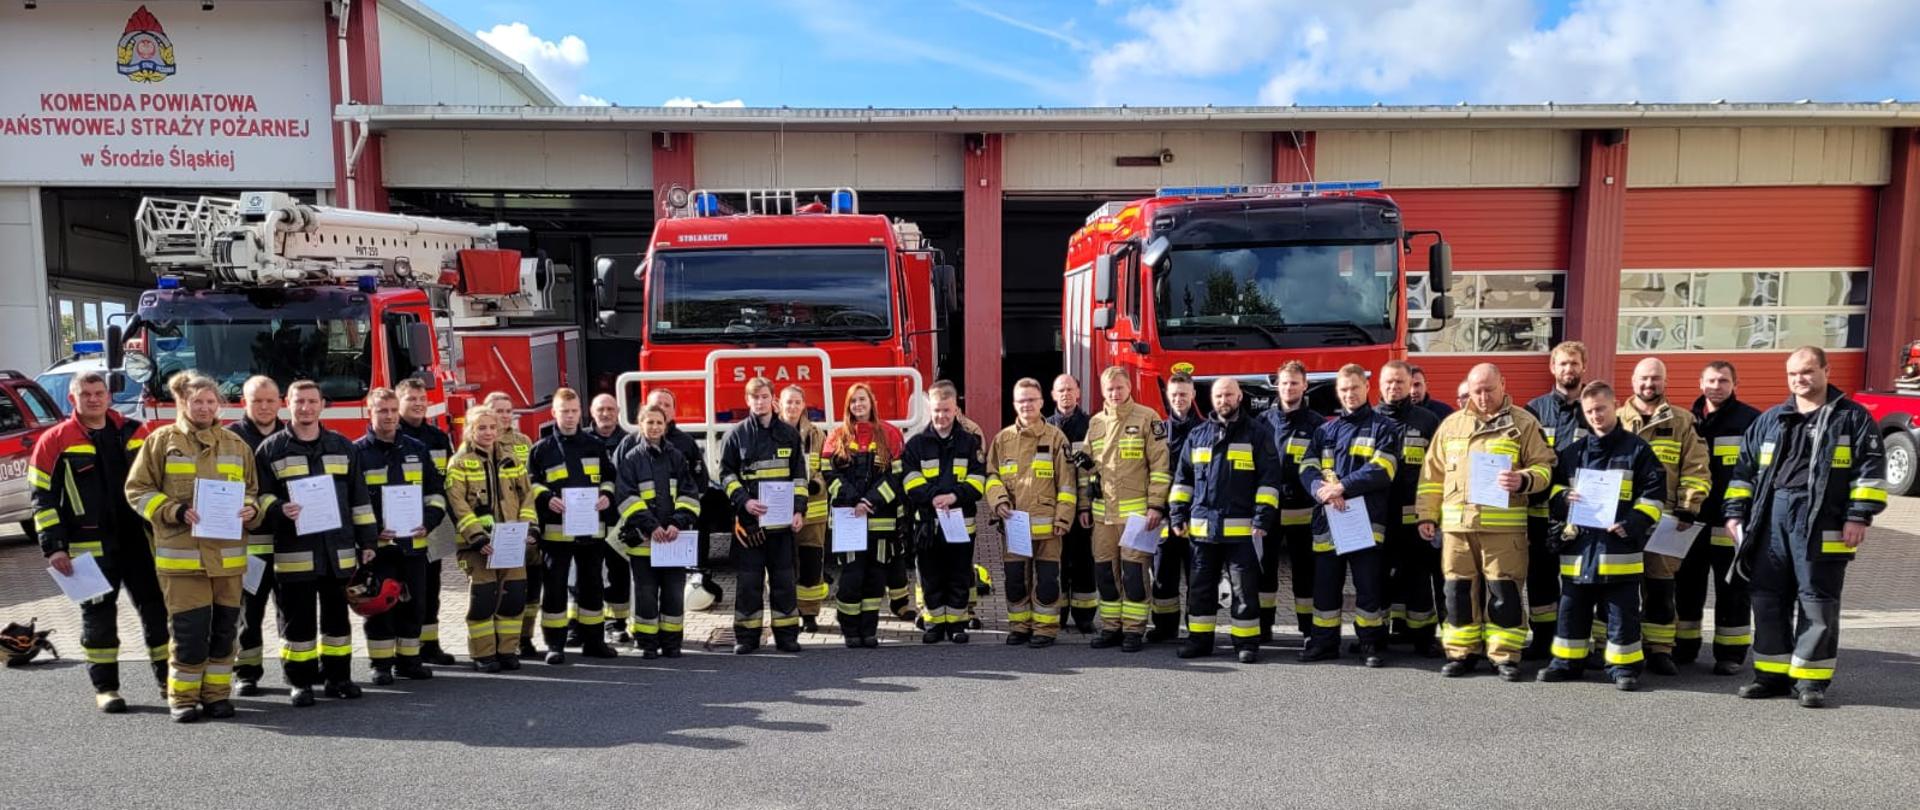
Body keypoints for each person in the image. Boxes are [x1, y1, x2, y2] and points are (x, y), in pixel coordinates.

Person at [1724, 347, 1887, 708]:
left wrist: (1858, 515)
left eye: (1807, 371)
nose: (1799, 379)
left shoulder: (1852, 419)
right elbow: (1743, 472)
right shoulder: (1771, 419)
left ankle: (1810, 681)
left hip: (1824, 521)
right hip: (1771, 518)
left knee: (1817, 600)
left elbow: (1870, 471)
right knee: (1766, 598)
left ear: (1826, 371)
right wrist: (1735, 513)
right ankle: (1769, 674)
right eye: (1793, 374)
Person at [125, 372, 263, 723]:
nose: (204, 407)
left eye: (210, 401)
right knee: (189, 632)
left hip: (228, 560)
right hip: (183, 561)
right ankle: (183, 698)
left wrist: (252, 508)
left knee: (224, 632)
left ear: (219, 404)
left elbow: (252, 490)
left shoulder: (236, 445)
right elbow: (137, 491)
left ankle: (217, 696)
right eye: (197, 401)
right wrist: (174, 510)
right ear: (183, 403)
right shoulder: (161, 442)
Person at [1416, 363, 1554, 682]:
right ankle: (1461, 653)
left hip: (1503, 529)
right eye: (1477, 390)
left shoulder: (1523, 423)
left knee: (1503, 592)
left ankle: (1504, 655)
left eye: (1488, 389)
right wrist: (1426, 514)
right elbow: (1431, 476)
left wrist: (1523, 480)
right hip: (1457, 529)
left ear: (1502, 385)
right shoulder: (1452, 425)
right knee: (1457, 591)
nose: (1482, 396)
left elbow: (1545, 466)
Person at [34, 371, 162, 713]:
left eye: (99, 392)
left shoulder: (137, 431)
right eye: (86, 394)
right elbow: (42, 500)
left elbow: (162, 480)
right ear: (72, 399)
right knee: (98, 619)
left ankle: (170, 683)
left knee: (158, 612)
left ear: (108, 396)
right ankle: (106, 688)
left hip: (140, 543)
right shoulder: (54, 440)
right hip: (86, 548)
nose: (93, 399)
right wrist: (54, 546)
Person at [255, 380, 379, 706]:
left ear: (322, 404)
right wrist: (279, 508)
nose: (306, 408)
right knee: (298, 623)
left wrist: (368, 541)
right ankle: (301, 682)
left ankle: (339, 678)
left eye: (312, 401)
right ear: (288, 404)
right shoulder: (271, 449)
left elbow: (359, 500)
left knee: (338, 621)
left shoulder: (343, 446)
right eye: (299, 402)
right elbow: (259, 496)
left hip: (338, 551)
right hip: (295, 553)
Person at [1540, 381, 1666, 691]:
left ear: (1614, 407)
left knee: (1622, 616)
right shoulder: (1572, 453)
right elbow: (1553, 491)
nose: (1596, 415)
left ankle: (1623, 667)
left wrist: (1633, 522)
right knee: (1571, 611)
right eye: (1589, 411)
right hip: (1579, 549)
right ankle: (1566, 663)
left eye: (1601, 409)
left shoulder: (1637, 450)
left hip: (1618, 549)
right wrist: (1563, 497)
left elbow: (1654, 495)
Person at [1169, 378, 1280, 663]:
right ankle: (1200, 640)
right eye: (1218, 395)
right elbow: (1183, 480)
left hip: (1242, 531)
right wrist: (1178, 513)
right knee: (1200, 589)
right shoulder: (1198, 435)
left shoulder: (1257, 434)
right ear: (1211, 398)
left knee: (1244, 590)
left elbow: (1269, 481)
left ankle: (1245, 643)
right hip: (1203, 530)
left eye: (1229, 394)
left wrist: (1262, 518)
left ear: (1239, 396)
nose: (1223, 400)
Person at [1300, 364, 1402, 666]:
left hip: (1365, 522)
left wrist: (1341, 487)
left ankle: (1369, 643)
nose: (1349, 394)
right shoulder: (1325, 431)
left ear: (1366, 388)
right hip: (1329, 519)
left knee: (1368, 586)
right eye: (1343, 390)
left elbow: (1383, 469)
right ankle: (1324, 643)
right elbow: (1307, 467)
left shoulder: (1384, 428)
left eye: (1354, 388)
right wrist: (1321, 490)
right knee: (1325, 587)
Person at [1617, 357, 1711, 676]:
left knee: (1660, 588)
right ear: (1632, 380)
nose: (1649, 384)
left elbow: (1697, 468)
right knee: (1621, 588)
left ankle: (1659, 650)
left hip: (1666, 520)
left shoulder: (1683, 422)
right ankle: (1622, 647)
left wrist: (1689, 504)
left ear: (1665, 382)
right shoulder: (1615, 419)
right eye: (1643, 378)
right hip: (1623, 521)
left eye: (1655, 379)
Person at [353, 386, 447, 685]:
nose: (390, 416)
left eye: (393, 410)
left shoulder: (416, 449)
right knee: (380, 605)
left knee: (414, 604)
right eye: (383, 410)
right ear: (370, 412)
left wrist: (429, 521)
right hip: (379, 548)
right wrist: (369, 533)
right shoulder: (356, 453)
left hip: (414, 543)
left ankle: (409, 660)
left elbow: (435, 493)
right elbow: (349, 502)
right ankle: (381, 664)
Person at [526, 388, 620, 663]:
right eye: (564, 411)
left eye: (574, 411)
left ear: (581, 413)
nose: (569, 417)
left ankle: (594, 642)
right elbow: (530, 483)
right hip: (557, 533)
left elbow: (609, 477)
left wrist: (606, 495)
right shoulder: (541, 449)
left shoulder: (594, 445)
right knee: (554, 589)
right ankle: (555, 644)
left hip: (591, 531)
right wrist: (545, 498)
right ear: (553, 413)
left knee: (592, 586)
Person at [1083, 367, 1171, 652]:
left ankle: (1134, 630)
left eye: (1119, 388)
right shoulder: (1095, 423)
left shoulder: (1147, 418)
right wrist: (1086, 498)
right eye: (1109, 389)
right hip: (1102, 515)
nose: (1115, 394)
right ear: (1102, 391)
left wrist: (1156, 505)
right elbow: (1087, 468)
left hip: (1137, 516)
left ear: (1129, 387)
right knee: (1105, 574)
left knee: (1134, 575)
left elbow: (1160, 466)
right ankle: (1111, 627)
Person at [985, 378, 1079, 648]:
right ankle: (1019, 627)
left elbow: (1067, 483)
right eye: (1021, 400)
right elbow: (991, 476)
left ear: (1041, 403)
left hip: (1049, 528)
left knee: (1048, 581)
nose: (1026, 405)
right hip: (1014, 526)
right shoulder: (1002, 440)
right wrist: (999, 501)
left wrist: (1063, 517)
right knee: (1015, 580)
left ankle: (1045, 630)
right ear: (1014, 404)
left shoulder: (1055, 437)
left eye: (1031, 400)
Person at [445, 406, 539, 673]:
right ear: (470, 431)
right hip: (478, 548)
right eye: (481, 428)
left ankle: (507, 651)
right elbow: (457, 504)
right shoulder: (459, 462)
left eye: (492, 428)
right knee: (483, 600)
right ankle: (484, 654)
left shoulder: (511, 460)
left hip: (511, 544)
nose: (487, 432)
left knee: (512, 597)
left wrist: (528, 530)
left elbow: (527, 497)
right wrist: (476, 537)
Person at [718, 377, 808, 654]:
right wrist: (744, 502)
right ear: (748, 401)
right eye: (754, 397)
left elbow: (799, 476)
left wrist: (799, 510)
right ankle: (746, 638)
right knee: (748, 583)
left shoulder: (789, 434)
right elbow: (726, 475)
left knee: (783, 582)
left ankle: (787, 636)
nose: (760, 401)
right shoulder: (736, 435)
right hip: (750, 525)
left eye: (764, 396)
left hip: (781, 525)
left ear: (773, 399)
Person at [1681, 361, 1761, 674]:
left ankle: (1731, 654)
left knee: (1733, 589)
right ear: (1701, 383)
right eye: (1711, 380)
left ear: (1734, 383)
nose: (1717, 386)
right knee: (1686, 587)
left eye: (1724, 380)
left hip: (1731, 520)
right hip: (1693, 519)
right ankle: (1684, 647)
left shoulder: (1751, 421)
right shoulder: (1688, 420)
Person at [612, 404, 703, 659]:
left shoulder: (676, 457)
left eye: (658, 422)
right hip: (643, 541)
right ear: (640, 425)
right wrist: (651, 527)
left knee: (674, 593)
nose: (654, 427)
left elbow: (690, 494)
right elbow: (626, 498)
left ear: (666, 425)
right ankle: (647, 643)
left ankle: (672, 643)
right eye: (649, 422)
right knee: (646, 593)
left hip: (673, 540)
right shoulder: (631, 459)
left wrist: (677, 522)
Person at [1521, 342, 1593, 660]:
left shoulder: (1596, 409)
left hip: (1583, 512)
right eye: (1562, 364)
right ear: (1552, 368)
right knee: (1540, 580)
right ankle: (1542, 639)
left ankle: (1574, 640)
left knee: (1580, 580)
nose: (1568, 369)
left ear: (1583, 367)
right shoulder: (1533, 410)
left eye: (1574, 363)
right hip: (1541, 512)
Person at [823, 383, 907, 649]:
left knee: (875, 577)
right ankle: (850, 629)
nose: (858, 405)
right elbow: (829, 475)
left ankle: (869, 629)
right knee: (851, 577)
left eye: (862, 400)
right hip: (849, 520)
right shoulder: (837, 436)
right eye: (853, 401)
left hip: (880, 520)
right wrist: (852, 500)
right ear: (848, 406)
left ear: (871, 402)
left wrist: (870, 500)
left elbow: (896, 477)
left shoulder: (890, 434)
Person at [901, 384, 986, 643]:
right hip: (927, 523)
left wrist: (953, 496)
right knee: (930, 574)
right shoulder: (916, 444)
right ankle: (935, 624)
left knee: (959, 573)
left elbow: (978, 480)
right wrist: (934, 497)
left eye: (947, 410)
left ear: (956, 410)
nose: (941, 416)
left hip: (961, 522)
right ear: (931, 410)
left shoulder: (970, 443)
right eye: (937, 410)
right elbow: (909, 480)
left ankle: (958, 624)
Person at [1376, 361, 1443, 657]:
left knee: (1418, 579)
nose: (1394, 387)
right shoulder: (1371, 420)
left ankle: (1423, 638)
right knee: (1378, 578)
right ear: (1379, 385)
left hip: (1416, 515)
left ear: (1410, 384)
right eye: (1389, 382)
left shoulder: (1428, 421)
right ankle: (1376, 637)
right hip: (1379, 515)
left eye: (1400, 382)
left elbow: (1440, 469)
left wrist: (1433, 512)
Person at [395, 378, 458, 666]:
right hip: (400, 526)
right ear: (399, 402)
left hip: (433, 522)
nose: (419, 403)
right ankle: (407, 647)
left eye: (422, 398)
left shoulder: (437, 437)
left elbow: (445, 481)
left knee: (432, 588)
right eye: (412, 399)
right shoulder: (393, 436)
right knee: (406, 590)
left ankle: (430, 645)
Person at [230, 375, 285, 694]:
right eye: (257, 401)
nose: (264, 407)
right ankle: (247, 671)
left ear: (280, 403)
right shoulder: (230, 440)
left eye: (270, 400)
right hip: (249, 542)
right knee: (249, 611)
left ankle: (299, 669)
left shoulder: (292, 436)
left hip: (290, 540)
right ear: (243, 403)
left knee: (291, 610)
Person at [1261, 361, 1323, 639]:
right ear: (1277, 385)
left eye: (1294, 383)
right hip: (1269, 511)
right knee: (1265, 572)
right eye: (1284, 383)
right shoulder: (1262, 422)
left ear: (1305, 385)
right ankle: (1263, 628)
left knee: (1305, 573)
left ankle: (1307, 629)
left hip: (1304, 512)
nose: (1289, 387)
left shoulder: (1317, 425)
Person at [1148, 374, 1203, 642]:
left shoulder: (1205, 431)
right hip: (1164, 517)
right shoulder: (1158, 431)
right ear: (1167, 397)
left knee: (1197, 577)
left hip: (1195, 517)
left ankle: (1196, 628)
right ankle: (1164, 628)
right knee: (1162, 576)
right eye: (1174, 395)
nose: (1179, 399)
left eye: (1184, 394)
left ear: (1193, 395)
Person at [486, 391, 540, 656]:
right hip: (495, 530)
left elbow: (527, 487)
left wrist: (529, 525)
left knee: (527, 589)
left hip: (522, 528)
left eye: (508, 410)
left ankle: (525, 637)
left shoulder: (523, 441)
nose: (505, 415)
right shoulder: (482, 441)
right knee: (497, 590)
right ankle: (498, 641)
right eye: (499, 410)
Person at [1048, 373, 1098, 632]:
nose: (1066, 394)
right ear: (1053, 395)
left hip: (1082, 510)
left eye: (1070, 389)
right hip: (1053, 508)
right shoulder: (1045, 427)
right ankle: (1059, 613)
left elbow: (1093, 472)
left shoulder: (1091, 426)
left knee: (1083, 561)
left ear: (1078, 393)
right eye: (1061, 390)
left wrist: (1086, 506)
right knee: (1057, 561)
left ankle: (1085, 615)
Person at [779, 386, 831, 633]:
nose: (792, 407)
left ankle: (809, 614)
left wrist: (816, 483)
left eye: (797, 402)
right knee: (782, 567)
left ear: (803, 405)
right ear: (779, 405)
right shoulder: (771, 434)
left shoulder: (816, 434)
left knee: (811, 565)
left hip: (813, 511)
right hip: (779, 512)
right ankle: (786, 612)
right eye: (788, 402)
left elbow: (824, 467)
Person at [584, 393, 634, 645]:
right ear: (592, 412)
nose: (605, 414)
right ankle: (581, 624)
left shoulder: (629, 441)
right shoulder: (581, 441)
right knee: (586, 571)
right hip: (585, 518)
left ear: (618, 412)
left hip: (618, 517)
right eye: (601, 409)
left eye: (610, 409)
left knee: (618, 571)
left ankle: (617, 624)